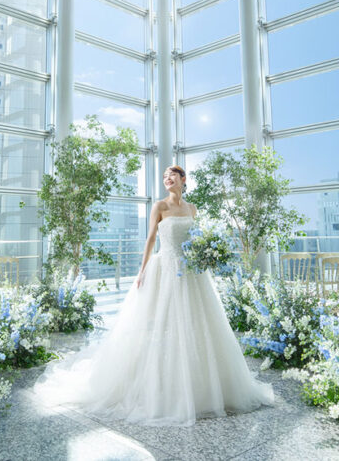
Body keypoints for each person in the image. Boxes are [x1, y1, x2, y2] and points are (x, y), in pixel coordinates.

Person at [32, 165, 275, 426]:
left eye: (172, 175)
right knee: (162, 324)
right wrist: (142, 271)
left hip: (192, 273)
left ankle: (204, 387)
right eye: (164, 177)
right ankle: (160, 384)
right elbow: (150, 240)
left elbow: (197, 239)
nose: (167, 179)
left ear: (183, 180)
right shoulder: (160, 206)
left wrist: (205, 254)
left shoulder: (192, 209)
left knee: (198, 325)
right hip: (167, 269)